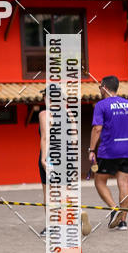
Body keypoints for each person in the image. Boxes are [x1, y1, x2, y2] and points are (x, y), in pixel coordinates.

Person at [38, 87, 91, 237]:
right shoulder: (69, 113)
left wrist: (43, 158)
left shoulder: (44, 114)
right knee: (66, 190)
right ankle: (79, 212)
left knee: (49, 193)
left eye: (44, 96)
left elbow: (46, 137)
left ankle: (52, 226)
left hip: (51, 156)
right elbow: (74, 138)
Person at [89, 76, 128, 231]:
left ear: (104, 87)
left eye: (100, 88)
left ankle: (114, 209)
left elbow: (97, 129)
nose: (99, 90)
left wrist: (91, 150)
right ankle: (123, 221)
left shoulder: (101, 105)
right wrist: (126, 143)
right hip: (127, 149)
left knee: (99, 181)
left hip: (109, 151)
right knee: (124, 184)